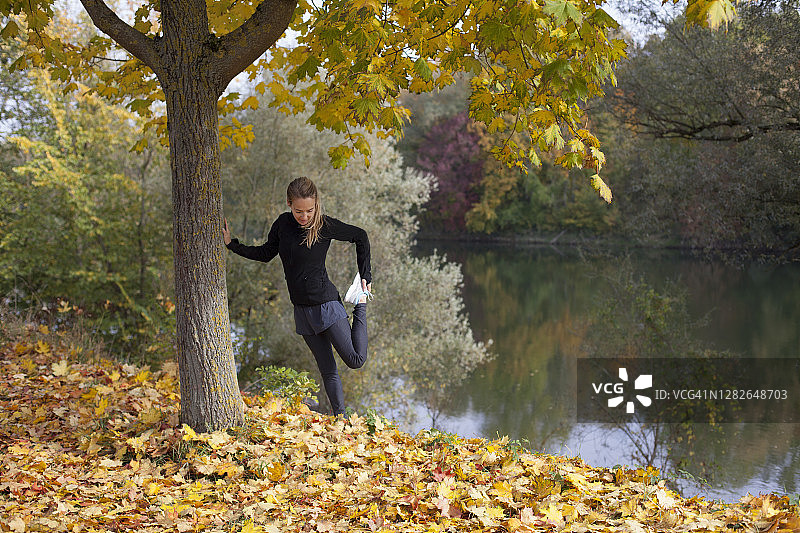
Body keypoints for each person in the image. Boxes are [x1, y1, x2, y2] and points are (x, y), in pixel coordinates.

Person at [223, 176, 372, 416]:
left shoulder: (323, 225)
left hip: (327, 305)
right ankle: (341, 420)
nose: (304, 217)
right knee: (327, 370)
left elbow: (361, 236)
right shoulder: (283, 224)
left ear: (316, 205)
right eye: (299, 211)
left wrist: (366, 275)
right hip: (302, 311)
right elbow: (265, 253)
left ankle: (361, 302)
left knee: (355, 360)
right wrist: (232, 244)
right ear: (289, 204)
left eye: (309, 211)